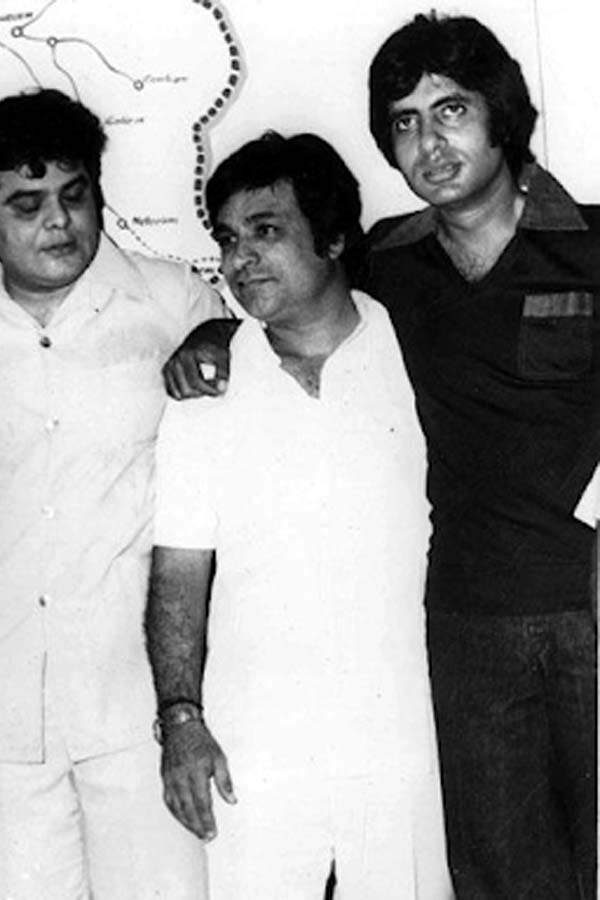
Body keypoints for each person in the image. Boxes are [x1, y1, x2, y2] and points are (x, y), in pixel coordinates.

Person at [164, 12, 598, 900]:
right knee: (506, 882)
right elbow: (290, 289)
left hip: (591, 607)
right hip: (472, 633)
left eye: (452, 111)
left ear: (503, 116)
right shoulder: (390, 265)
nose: (430, 143)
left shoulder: (595, 245)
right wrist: (210, 334)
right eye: (405, 122)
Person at [0, 88, 226, 899]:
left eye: (75, 196)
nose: (59, 222)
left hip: (140, 692)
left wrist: (224, 336)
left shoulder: (175, 302)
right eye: (27, 204)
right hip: (1, 695)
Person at [147, 131, 451, 899]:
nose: (240, 258)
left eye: (266, 230)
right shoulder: (205, 390)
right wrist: (181, 720)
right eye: (227, 239)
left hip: (403, 729)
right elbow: (178, 571)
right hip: (256, 735)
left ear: (336, 237)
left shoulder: (419, 354)